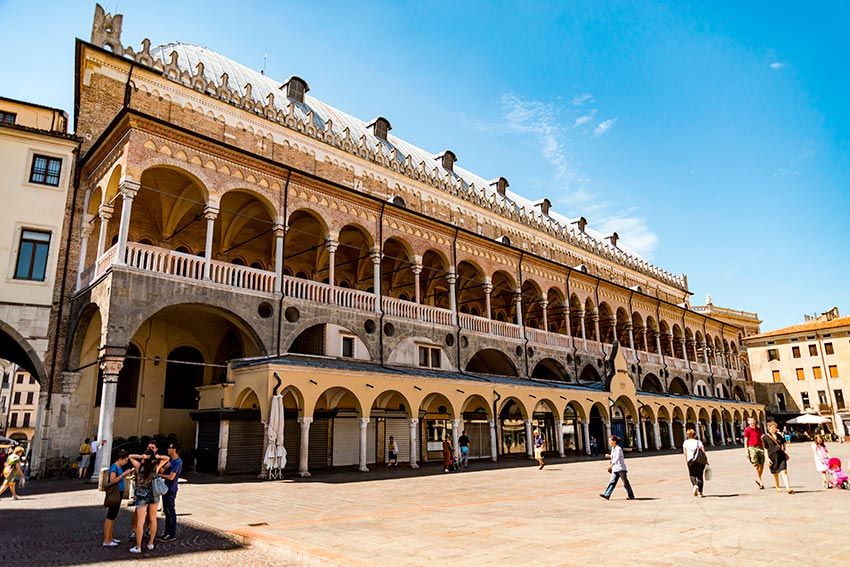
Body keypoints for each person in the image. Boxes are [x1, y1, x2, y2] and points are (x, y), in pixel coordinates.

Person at [128, 449, 167, 553]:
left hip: (141, 496)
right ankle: (150, 543)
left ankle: (138, 546)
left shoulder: (139, 467)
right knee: (153, 519)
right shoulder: (155, 468)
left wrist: (141, 456)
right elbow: (167, 458)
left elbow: (130, 456)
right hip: (153, 495)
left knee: (140, 521)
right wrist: (157, 457)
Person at [103, 451, 133, 547]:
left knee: (113, 516)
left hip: (118, 493)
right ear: (120, 459)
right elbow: (112, 480)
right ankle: (106, 540)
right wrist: (123, 475)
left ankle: (110, 537)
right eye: (125, 460)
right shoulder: (114, 467)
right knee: (110, 516)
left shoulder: (119, 467)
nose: (125, 462)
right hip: (114, 493)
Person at [159, 442, 183, 541]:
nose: (168, 449)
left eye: (169, 448)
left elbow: (171, 477)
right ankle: (166, 532)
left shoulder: (177, 462)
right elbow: (163, 470)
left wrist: (160, 476)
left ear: (175, 450)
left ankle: (171, 533)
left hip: (171, 489)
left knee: (170, 511)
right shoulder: (171, 461)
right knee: (166, 511)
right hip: (166, 488)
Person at [600, 436, 634, 500]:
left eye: (610, 441)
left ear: (614, 441)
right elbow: (613, 457)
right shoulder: (613, 448)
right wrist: (609, 456)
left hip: (621, 468)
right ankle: (607, 494)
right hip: (615, 468)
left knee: (625, 483)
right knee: (612, 481)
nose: (609, 442)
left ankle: (631, 495)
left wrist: (611, 465)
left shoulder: (618, 448)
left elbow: (616, 458)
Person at [763, 421, 793, 494]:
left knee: (784, 471)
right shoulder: (765, 437)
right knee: (775, 473)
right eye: (772, 427)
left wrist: (783, 449)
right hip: (772, 457)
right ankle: (777, 486)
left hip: (781, 456)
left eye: (775, 427)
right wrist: (767, 458)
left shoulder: (779, 435)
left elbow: (783, 443)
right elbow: (765, 448)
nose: (774, 429)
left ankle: (788, 487)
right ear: (769, 428)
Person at [682, 428, 708, 497]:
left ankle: (695, 485)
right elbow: (703, 452)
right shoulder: (698, 442)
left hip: (690, 461)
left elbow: (685, 453)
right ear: (695, 435)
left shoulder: (685, 442)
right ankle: (700, 492)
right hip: (700, 460)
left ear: (688, 435)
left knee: (692, 475)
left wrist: (687, 461)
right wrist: (706, 460)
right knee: (700, 476)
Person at [742, 417, 765, 489]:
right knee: (755, 465)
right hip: (752, 448)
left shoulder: (758, 429)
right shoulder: (747, 430)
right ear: (748, 422)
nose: (752, 422)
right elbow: (745, 440)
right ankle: (760, 481)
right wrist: (746, 451)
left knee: (761, 465)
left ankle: (758, 478)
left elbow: (761, 438)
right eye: (750, 421)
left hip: (760, 447)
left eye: (753, 420)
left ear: (755, 421)